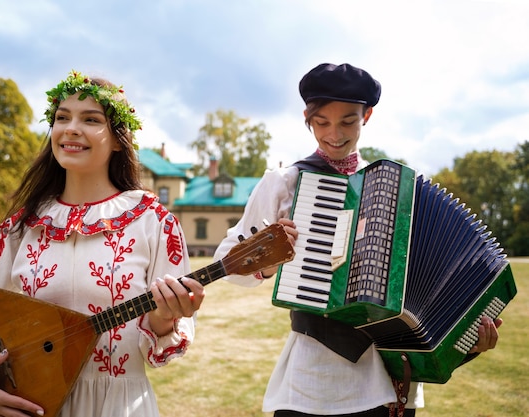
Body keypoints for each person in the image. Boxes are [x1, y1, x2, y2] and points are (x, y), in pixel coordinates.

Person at [213, 63, 502, 417]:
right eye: (322, 123)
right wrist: (269, 261)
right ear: (307, 117)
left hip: (393, 381)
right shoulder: (286, 183)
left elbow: (433, 279)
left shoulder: (396, 192)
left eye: (348, 121)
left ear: (367, 115)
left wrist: (468, 339)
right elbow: (227, 263)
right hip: (317, 382)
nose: (334, 134)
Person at [0, 70, 205, 417]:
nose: (71, 128)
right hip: (33, 404)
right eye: (62, 117)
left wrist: (164, 318)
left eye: (90, 119)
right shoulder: (24, 226)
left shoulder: (154, 222)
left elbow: (161, 344)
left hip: (119, 406)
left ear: (118, 139)